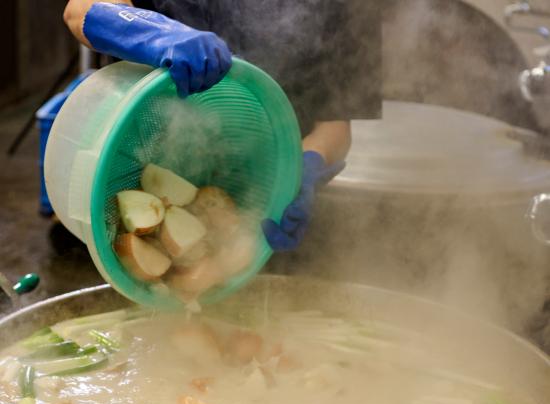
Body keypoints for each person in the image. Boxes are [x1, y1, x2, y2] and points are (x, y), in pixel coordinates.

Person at [64, 0, 381, 251]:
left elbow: (335, 126)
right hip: (141, 186)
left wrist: (305, 166)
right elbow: (81, 10)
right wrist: (155, 34)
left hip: (266, 203)